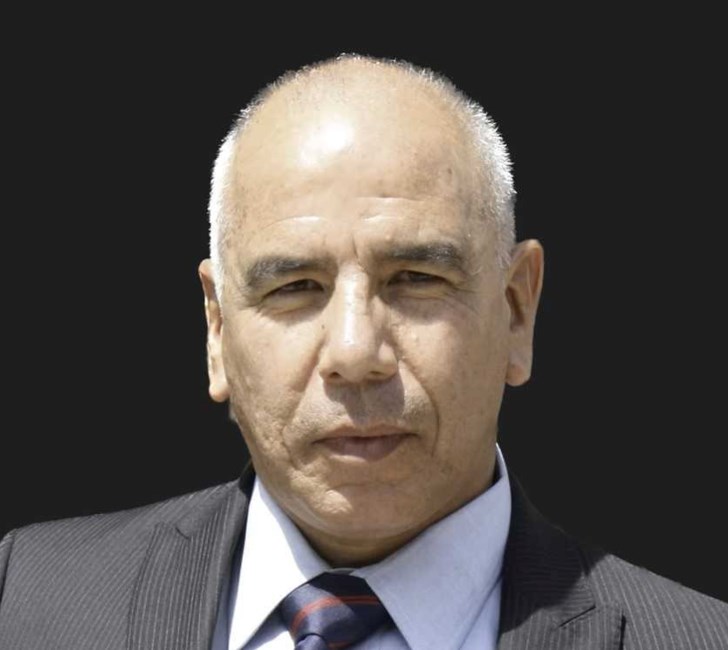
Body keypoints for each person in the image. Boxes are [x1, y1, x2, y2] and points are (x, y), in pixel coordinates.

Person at [0, 53, 725, 650]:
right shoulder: (25, 601)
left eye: (415, 279)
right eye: (295, 287)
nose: (355, 351)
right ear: (217, 330)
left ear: (515, 310)